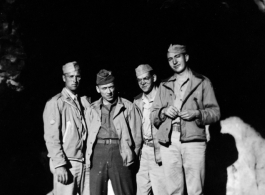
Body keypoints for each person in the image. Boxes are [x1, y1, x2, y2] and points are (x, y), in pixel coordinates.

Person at [151, 44, 220, 195]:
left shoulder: (202, 82)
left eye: (177, 57)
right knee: (174, 191)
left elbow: (215, 112)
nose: (174, 62)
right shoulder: (164, 85)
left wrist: (197, 113)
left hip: (193, 141)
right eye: (170, 59)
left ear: (186, 57)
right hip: (169, 142)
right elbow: (153, 116)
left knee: (196, 190)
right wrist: (163, 112)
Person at [85, 69, 142, 195]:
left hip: (120, 152)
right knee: (96, 191)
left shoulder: (128, 107)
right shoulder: (91, 109)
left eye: (111, 87)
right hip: (97, 152)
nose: (109, 91)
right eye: (104, 88)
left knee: (125, 191)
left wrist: (131, 155)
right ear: (98, 89)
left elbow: (137, 137)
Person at [43, 61, 90, 195]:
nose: (75, 80)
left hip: (83, 162)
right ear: (64, 78)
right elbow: (51, 138)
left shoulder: (83, 102)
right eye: (71, 76)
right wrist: (59, 165)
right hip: (67, 163)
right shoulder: (56, 103)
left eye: (77, 76)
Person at [133, 64, 167, 195]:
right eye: (139, 80)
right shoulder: (137, 101)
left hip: (160, 151)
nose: (142, 82)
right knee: (141, 191)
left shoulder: (164, 98)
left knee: (161, 191)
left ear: (154, 77)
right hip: (143, 153)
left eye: (146, 78)